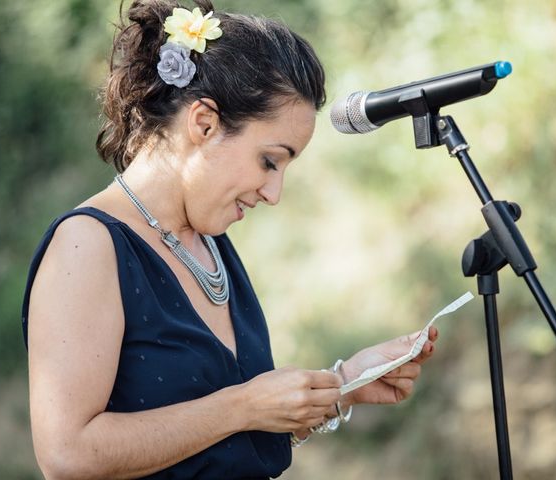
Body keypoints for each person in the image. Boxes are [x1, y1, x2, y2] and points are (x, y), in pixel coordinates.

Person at [21, 0, 439, 478]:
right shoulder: (86, 246)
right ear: (204, 123)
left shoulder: (209, 242)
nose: (274, 192)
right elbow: (66, 455)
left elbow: (217, 438)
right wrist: (240, 407)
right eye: (269, 161)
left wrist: (344, 383)